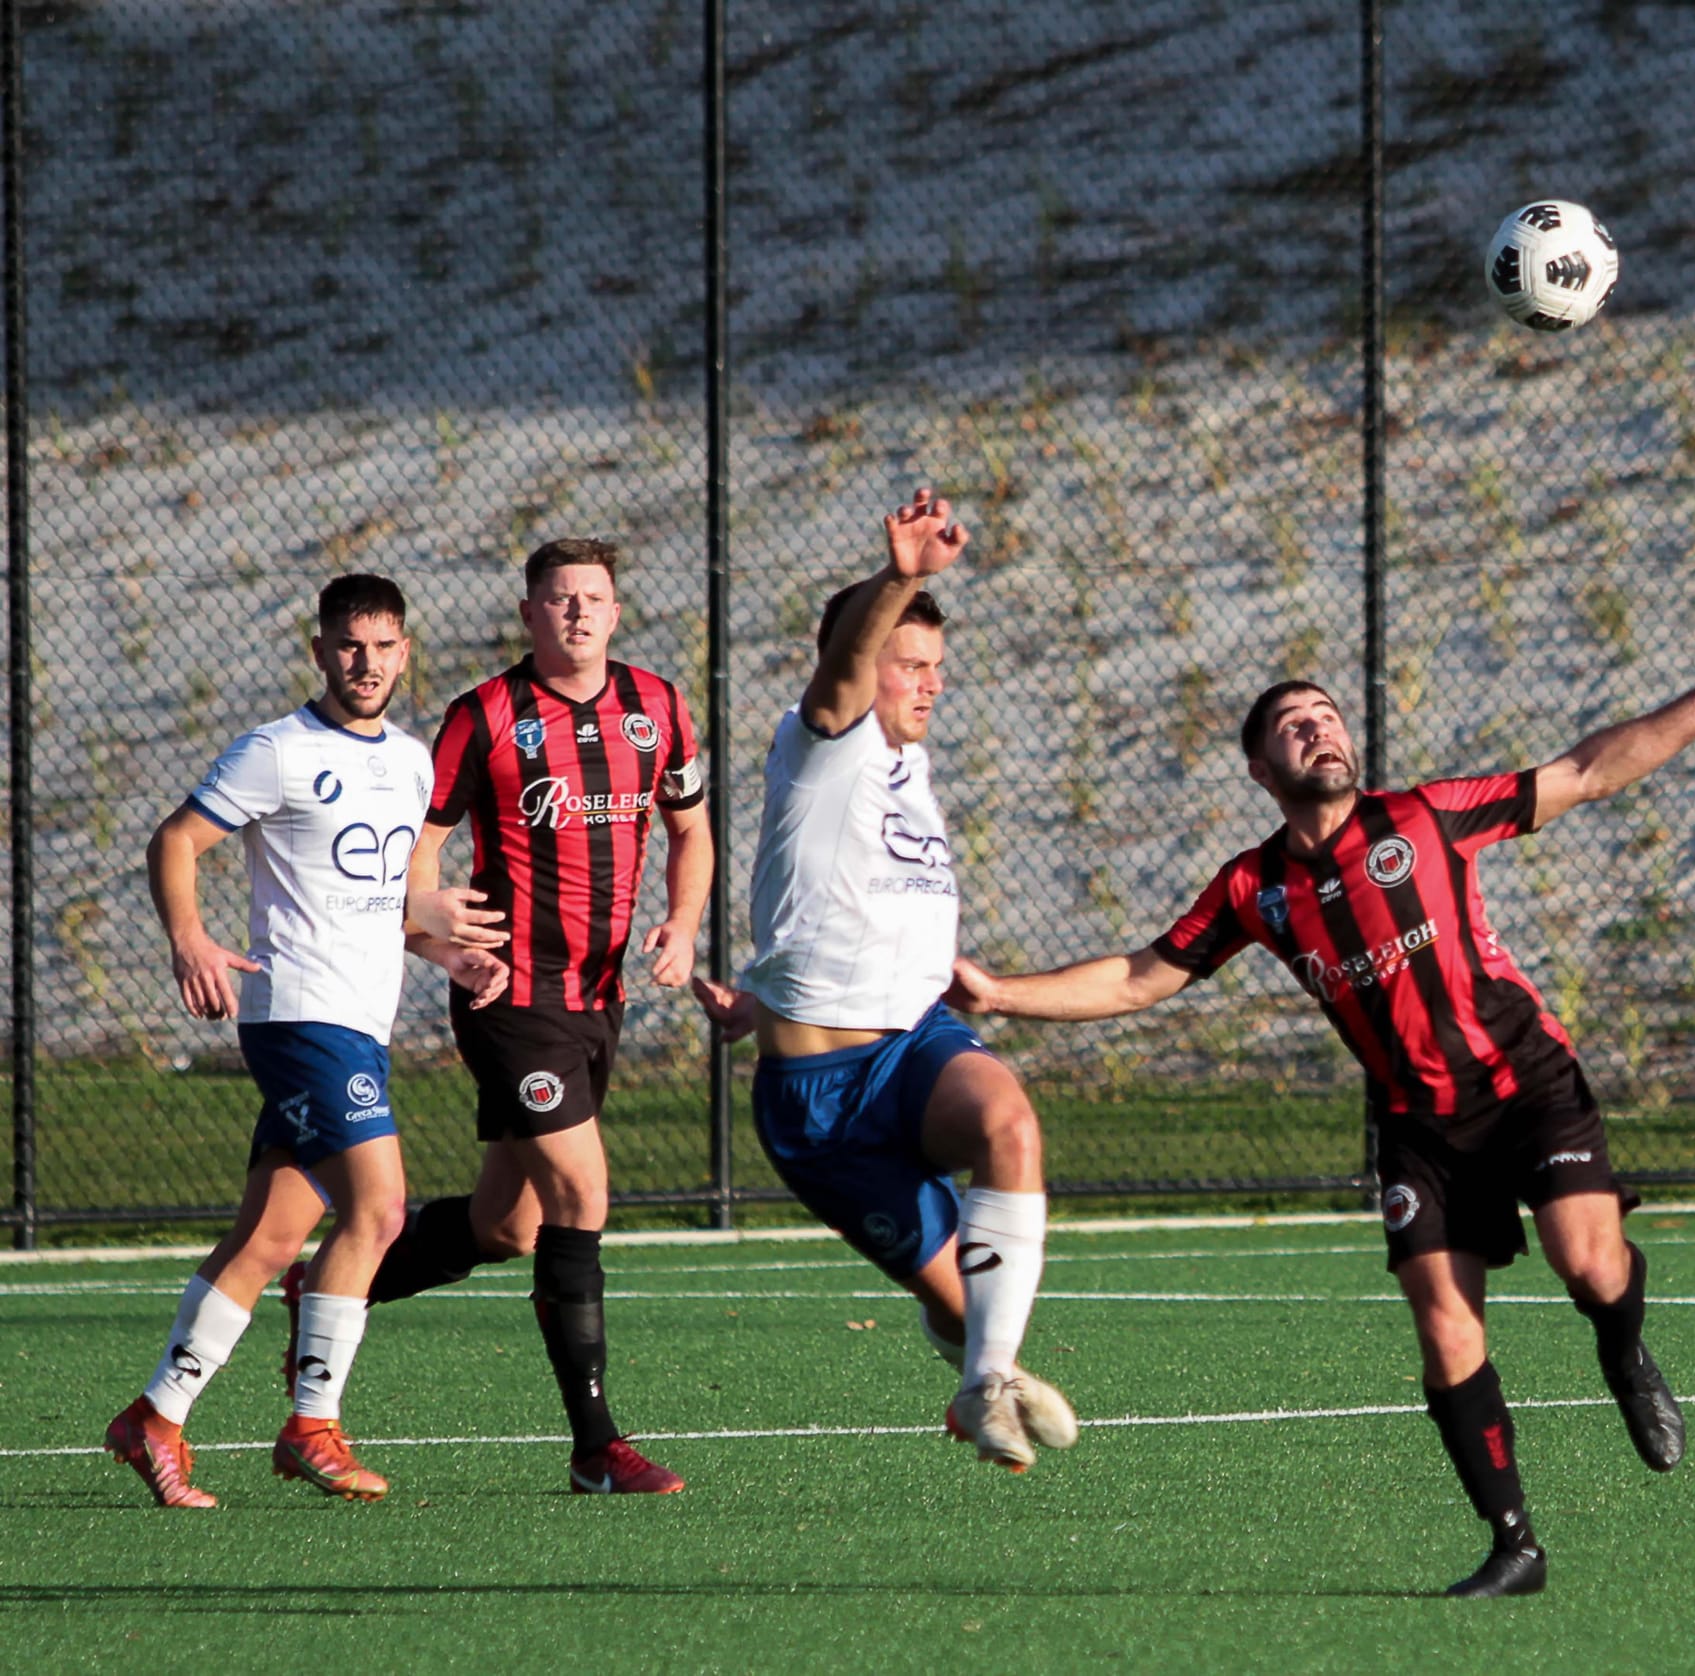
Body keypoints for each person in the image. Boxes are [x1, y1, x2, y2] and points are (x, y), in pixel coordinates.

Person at [948, 623, 1695, 1588]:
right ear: (1259, 767)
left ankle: (1623, 1351)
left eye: (1327, 716)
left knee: (1589, 1264)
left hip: (1525, 1083)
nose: (1318, 731)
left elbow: (1586, 770)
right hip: (1417, 1125)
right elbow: (1144, 976)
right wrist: (1001, 993)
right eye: (1292, 724)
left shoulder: (1427, 817)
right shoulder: (1254, 886)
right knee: (1445, 1328)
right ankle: (1514, 1544)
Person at [690, 488, 1077, 1473]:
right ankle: (975, 1360)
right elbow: (838, 685)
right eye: (908, 663)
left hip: (911, 1045)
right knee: (957, 1307)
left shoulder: (911, 766)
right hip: (818, 1108)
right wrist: (900, 574)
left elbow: (818, 896)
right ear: (859, 663)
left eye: (937, 668)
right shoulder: (824, 740)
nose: (928, 683)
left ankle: (986, 1378)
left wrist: (759, 983)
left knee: (1010, 1123)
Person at [105, 574, 506, 1509]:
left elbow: (381, 901)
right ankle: (312, 1428)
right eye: (349, 646)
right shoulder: (274, 752)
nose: (366, 664)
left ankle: (154, 1418)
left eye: (383, 647)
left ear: (405, 652)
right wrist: (190, 939)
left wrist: (446, 951)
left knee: (270, 1239)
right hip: (298, 1014)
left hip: (357, 1020)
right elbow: (175, 841)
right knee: (382, 1209)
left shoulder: (411, 763)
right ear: (320, 650)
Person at [338, 537, 714, 1496]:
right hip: (511, 997)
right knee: (584, 1194)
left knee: (509, 1225)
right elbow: (416, 849)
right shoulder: (484, 716)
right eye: (559, 599)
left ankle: (335, 1287)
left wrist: (682, 922)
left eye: (594, 598)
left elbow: (691, 829)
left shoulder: (659, 707)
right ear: (530, 615)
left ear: (617, 612)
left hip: (600, 999)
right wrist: (439, 944)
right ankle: (598, 1448)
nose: (578, 613)